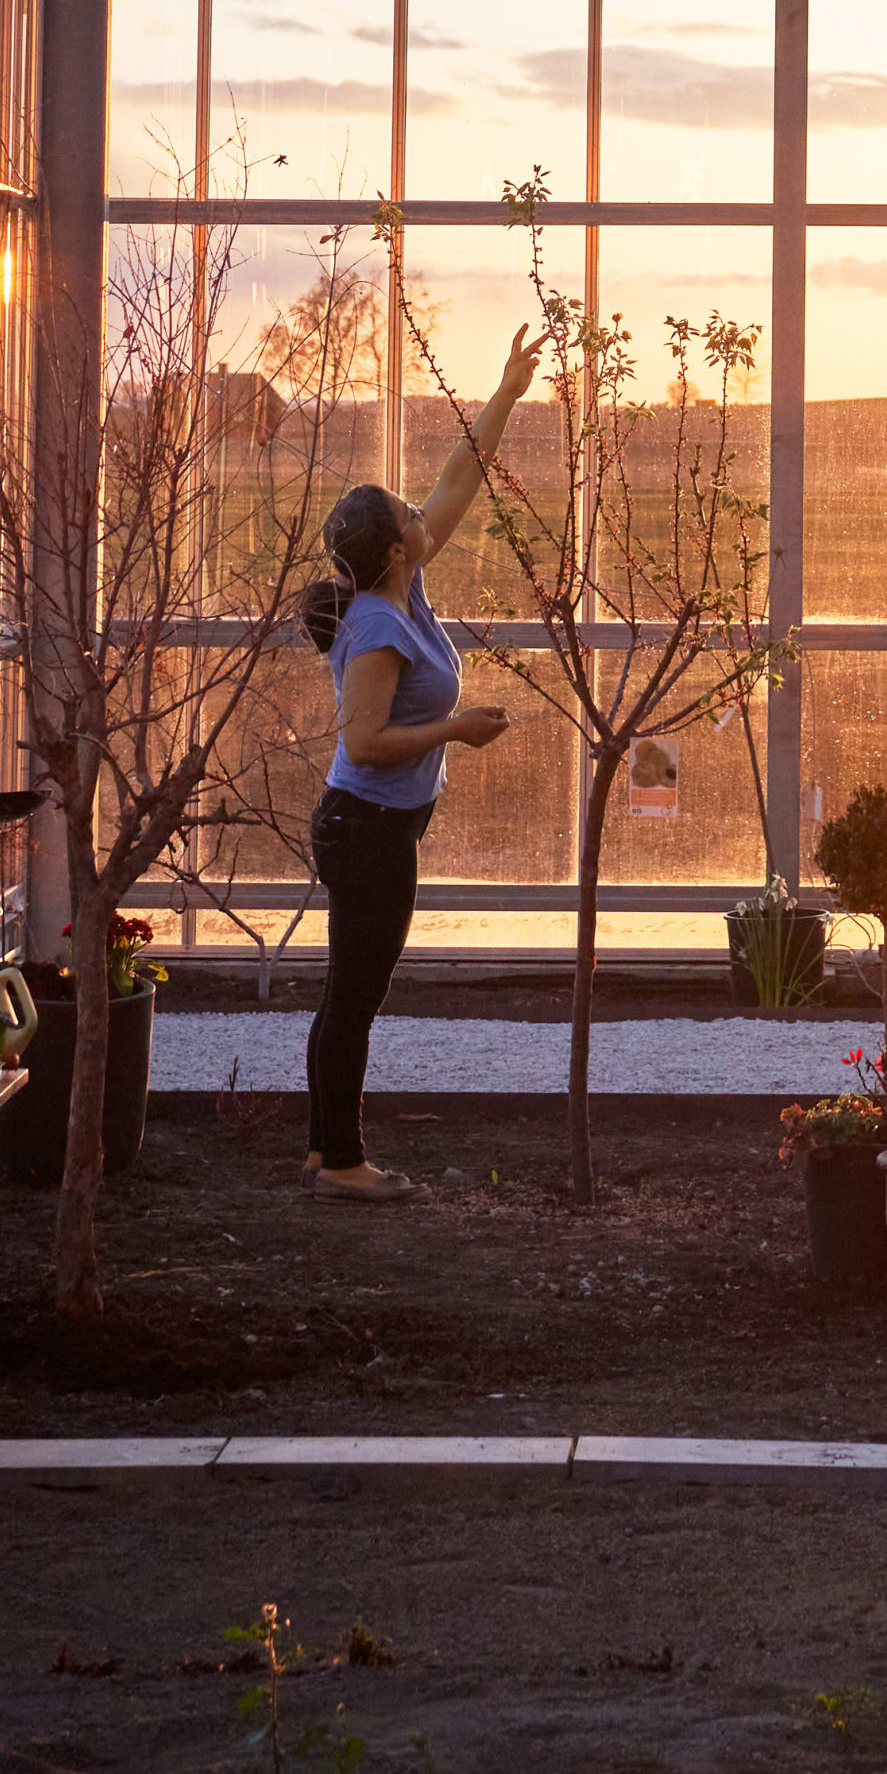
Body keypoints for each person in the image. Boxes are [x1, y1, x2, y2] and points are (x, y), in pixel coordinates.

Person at [299, 328, 540, 1194]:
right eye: (405, 514)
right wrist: (454, 731)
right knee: (357, 995)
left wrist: (507, 389)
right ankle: (347, 1163)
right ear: (395, 547)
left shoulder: (407, 580)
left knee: (346, 988)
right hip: (365, 829)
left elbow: (458, 479)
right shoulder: (376, 627)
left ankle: (325, 1149)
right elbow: (361, 741)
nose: (417, 511)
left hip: (377, 823)